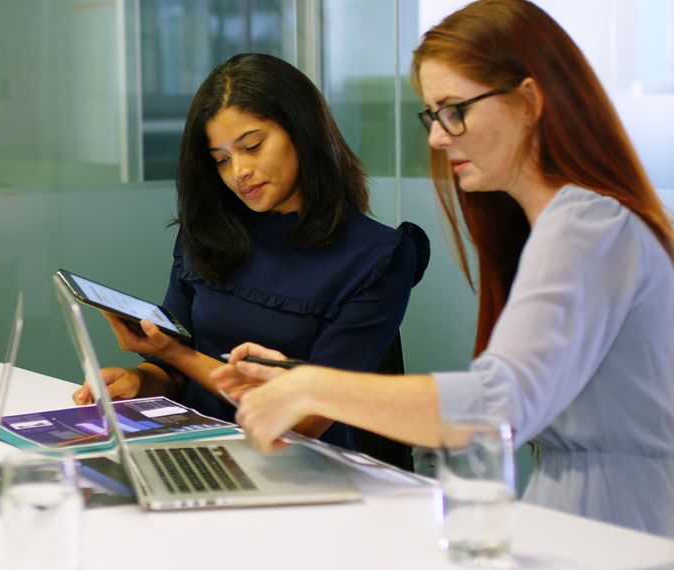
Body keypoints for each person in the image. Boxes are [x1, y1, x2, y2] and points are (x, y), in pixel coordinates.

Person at [213, 0, 674, 537]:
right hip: (579, 523)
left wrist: (313, 388)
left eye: (455, 109)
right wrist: (303, 381)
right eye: (432, 115)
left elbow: (495, 408)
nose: (437, 136)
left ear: (528, 100)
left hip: (622, 534)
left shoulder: (586, 224)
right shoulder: (562, 224)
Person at [72, 53, 429, 453]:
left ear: (302, 132)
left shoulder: (378, 256)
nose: (238, 171)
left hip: (302, 469)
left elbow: (307, 418)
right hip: (197, 450)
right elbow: (171, 370)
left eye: (253, 146)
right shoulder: (208, 232)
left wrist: (175, 353)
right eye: (221, 160)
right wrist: (141, 379)